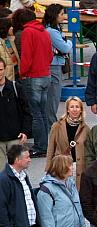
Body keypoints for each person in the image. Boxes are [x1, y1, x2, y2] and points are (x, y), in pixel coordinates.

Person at [19, 10, 53, 158]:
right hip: (46, 74)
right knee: (42, 113)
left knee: (36, 114)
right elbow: (50, 54)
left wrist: (23, 72)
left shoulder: (28, 32)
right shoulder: (44, 31)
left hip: (33, 76)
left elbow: (26, 55)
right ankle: (45, 144)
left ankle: (40, 146)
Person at [43, 4, 72, 143]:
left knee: (54, 97)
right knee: (53, 97)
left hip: (56, 64)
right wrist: (70, 43)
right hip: (54, 65)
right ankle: (52, 128)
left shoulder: (55, 29)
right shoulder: (52, 31)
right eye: (61, 14)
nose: (63, 16)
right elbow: (65, 47)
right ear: (55, 15)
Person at [46, 97, 89, 189]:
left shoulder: (86, 129)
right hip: (61, 165)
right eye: (72, 107)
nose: (74, 109)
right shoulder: (57, 126)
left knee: (77, 193)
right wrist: (48, 168)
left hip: (78, 167)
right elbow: (51, 148)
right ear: (67, 110)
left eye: (77, 107)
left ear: (81, 110)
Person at [0, 60, 31, 169]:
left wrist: (25, 132)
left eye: (0, 69)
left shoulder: (16, 87)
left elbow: (27, 111)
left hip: (15, 137)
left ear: (5, 70)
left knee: (18, 172)